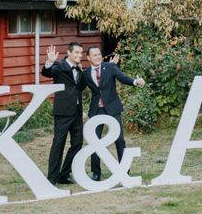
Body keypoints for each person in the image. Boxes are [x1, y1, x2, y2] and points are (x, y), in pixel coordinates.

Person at [81, 46, 145, 181]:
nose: (98, 57)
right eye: (94, 55)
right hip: (96, 111)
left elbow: (123, 78)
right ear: (88, 58)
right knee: (94, 141)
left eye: (99, 54)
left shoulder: (110, 67)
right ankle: (96, 172)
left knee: (120, 140)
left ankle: (124, 170)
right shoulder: (85, 74)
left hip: (112, 109)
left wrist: (135, 81)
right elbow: (78, 89)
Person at [42, 43, 84, 185]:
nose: (79, 55)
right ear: (69, 52)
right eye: (77, 52)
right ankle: (52, 178)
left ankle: (64, 174)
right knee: (58, 144)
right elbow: (48, 73)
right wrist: (50, 62)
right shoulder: (59, 66)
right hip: (63, 112)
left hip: (77, 112)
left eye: (81, 53)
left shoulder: (79, 68)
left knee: (77, 144)